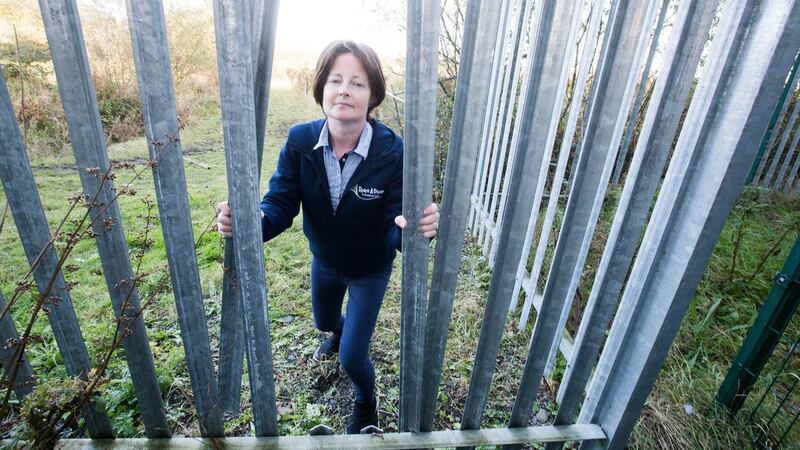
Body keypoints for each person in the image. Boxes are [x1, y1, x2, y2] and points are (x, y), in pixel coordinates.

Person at [216, 40, 439, 434]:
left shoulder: (391, 151)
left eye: (358, 83)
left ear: (373, 96)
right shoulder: (300, 141)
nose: (344, 91)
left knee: (351, 358)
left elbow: (396, 223)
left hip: (370, 269)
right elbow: (279, 204)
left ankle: (366, 402)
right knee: (324, 321)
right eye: (336, 80)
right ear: (321, 88)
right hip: (324, 261)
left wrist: (413, 229)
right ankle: (338, 331)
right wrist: (250, 223)